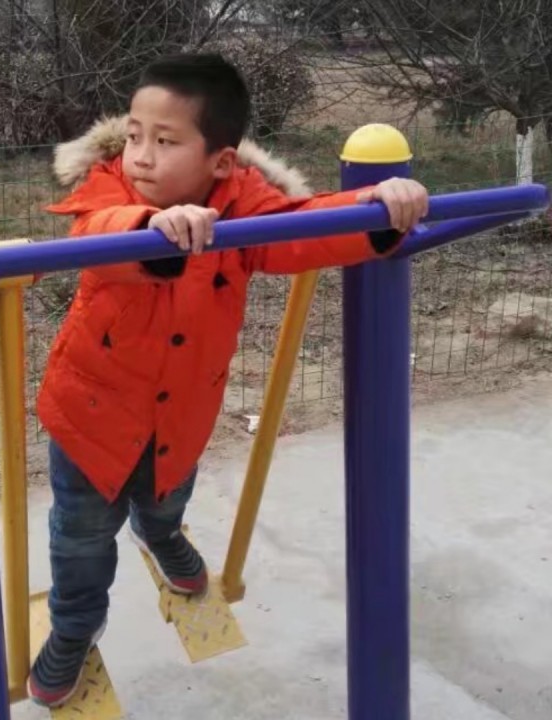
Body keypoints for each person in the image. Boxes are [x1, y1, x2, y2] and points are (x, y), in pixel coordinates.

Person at [28, 52, 428, 707]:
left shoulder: (242, 206)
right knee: (81, 539)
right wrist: (149, 228)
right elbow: (94, 231)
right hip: (90, 415)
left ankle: (161, 535)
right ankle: (74, 628)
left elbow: (301, 232)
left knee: (166, 498)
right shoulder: (111, 190)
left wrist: (374, 207)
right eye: (134, 135)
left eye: (165, 141)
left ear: (220, 162)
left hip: (181, 412)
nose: (141, 156)